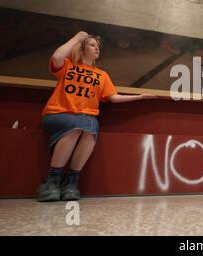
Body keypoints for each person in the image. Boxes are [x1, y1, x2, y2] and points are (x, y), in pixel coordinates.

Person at [38, 31, 157, 202]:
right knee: (79, 124)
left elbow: (113, 98)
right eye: (92, 45)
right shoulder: (68, 65)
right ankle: (51, 181)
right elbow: (56, 57)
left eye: (98, 46)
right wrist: (77, 38)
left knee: (89, 126)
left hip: (85, 120)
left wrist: (139, 97)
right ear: (82, 48)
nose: (97, 49)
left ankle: (71, 182)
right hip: (58, 114)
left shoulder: (102, 75)